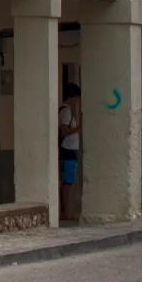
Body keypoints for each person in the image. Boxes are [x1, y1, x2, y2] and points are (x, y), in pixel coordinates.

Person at [58, 82, 82, 221]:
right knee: (67, 183)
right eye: (76, 98)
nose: (77, 101)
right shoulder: (66, 111)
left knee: (67, 182)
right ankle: (66, 212)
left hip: (70, 150)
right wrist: (78, 128)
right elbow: (64, 130)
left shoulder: (66, 111)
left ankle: (65, 211)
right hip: (68, 150)